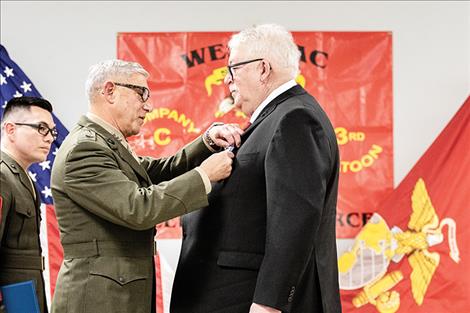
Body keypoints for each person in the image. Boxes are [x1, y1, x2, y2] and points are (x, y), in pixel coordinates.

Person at [171, 24, 342, 313]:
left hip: (250, 302)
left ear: (263, 69)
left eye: (233, 68)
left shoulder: (295, 119)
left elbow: (294, 220)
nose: (227, 80)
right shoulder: (276, 119)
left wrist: (268, 304)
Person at [50, 59, 242, 313]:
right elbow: (138, 208)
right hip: (98, 299)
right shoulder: (85, 149)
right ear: (109, 91)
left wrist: (206, 142)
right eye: (141, 93)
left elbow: (157, 171)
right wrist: (204, 176)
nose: (149, 106)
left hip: (115, 293)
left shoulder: (106, 143)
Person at [1, 96, 57, 313]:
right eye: (41, 128)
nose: (50, 138)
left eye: (52, 131)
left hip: (25, 298)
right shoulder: (2, 175)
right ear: (11, 129)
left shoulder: (23, 178)